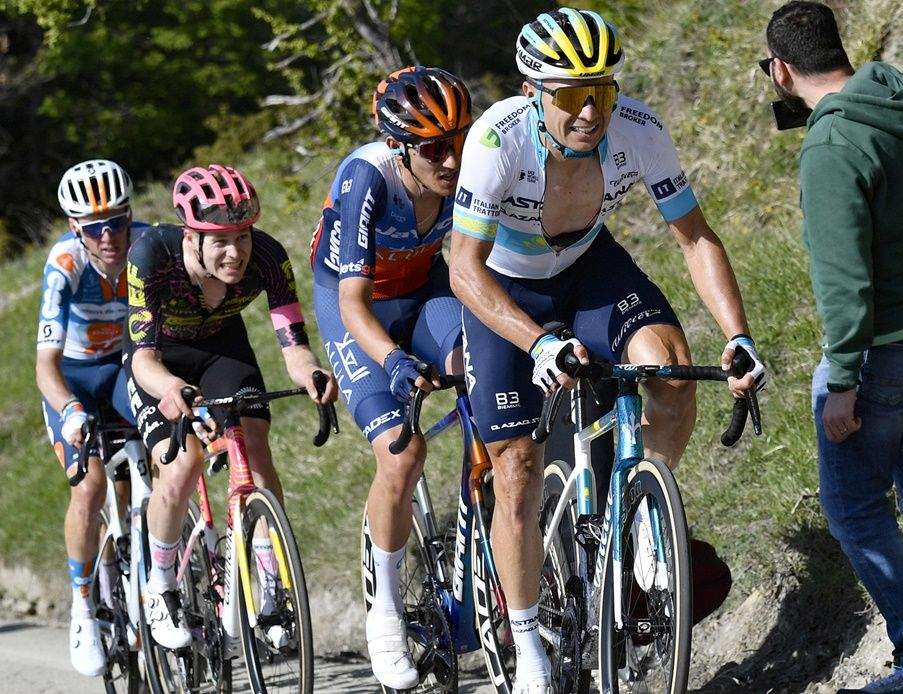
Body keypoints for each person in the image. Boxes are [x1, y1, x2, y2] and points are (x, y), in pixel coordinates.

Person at [449, 8, 766, 692]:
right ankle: (528, 645)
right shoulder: (497, 139)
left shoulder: (639, 130)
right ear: (534, 92)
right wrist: (538, 342)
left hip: (588, 267)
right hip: (505, 287)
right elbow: (464, 271)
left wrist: (738, 335)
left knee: (671, 369)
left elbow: (695, 237)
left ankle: (649, 519)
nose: (590, 111)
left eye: (602, 91)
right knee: (517, 470)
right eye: (570, 95)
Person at [762, 3, 903, 692]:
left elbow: (843, 281)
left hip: (882, 353)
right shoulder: (900, 101)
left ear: (781, 71)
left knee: (855, 509)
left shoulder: (831, 145)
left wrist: (842, 379)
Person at [125, 164, 336, 650]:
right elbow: (142, 359)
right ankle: (161, 584)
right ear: (191, 237)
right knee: (182, 463)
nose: (235, 253)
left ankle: (272, 588)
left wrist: (311, 373)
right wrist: (171, 388)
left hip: (223, 347)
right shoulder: (151, 256)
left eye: (242, 237)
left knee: (255, 443)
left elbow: (293, 345)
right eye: (220, 241)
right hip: (159, 357)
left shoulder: (268, 257)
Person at [309, 65, 472, 689]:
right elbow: (352, 303)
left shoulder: (469, 167)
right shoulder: (366, 178)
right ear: (399, 146)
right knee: (402, 455)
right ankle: (385, 608)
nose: (451, 160)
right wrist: (394, 359)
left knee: (485, 379)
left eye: (458, 141)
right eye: (433, 149)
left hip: (425, 289)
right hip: (357, 304)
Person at [36, 159, 146, 676]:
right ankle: (82, 606)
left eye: (118, 222)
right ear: (75, 227)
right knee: (90, 485)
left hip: (123, 369)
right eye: (95, 227)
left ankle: (165, 570)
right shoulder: (65, 264)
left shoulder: (146, 247)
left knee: (169, 448)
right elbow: (45, 366)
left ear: (130, 217)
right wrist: (70, 410)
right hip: (74, 380)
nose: (109, 237)